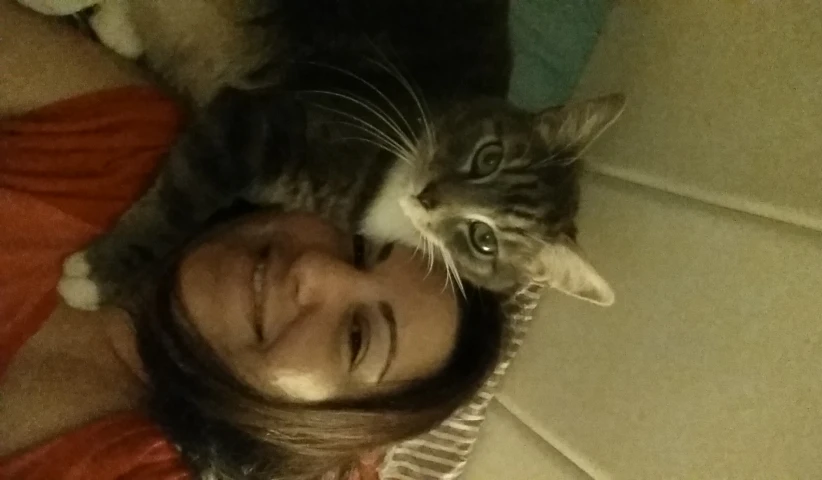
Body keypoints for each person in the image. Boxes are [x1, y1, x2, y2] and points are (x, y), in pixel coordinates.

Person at [0, 3, 505, 480]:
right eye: (360, 243)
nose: (313, 270)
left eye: (356, 337)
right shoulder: (130, 140)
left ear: (325, 429)